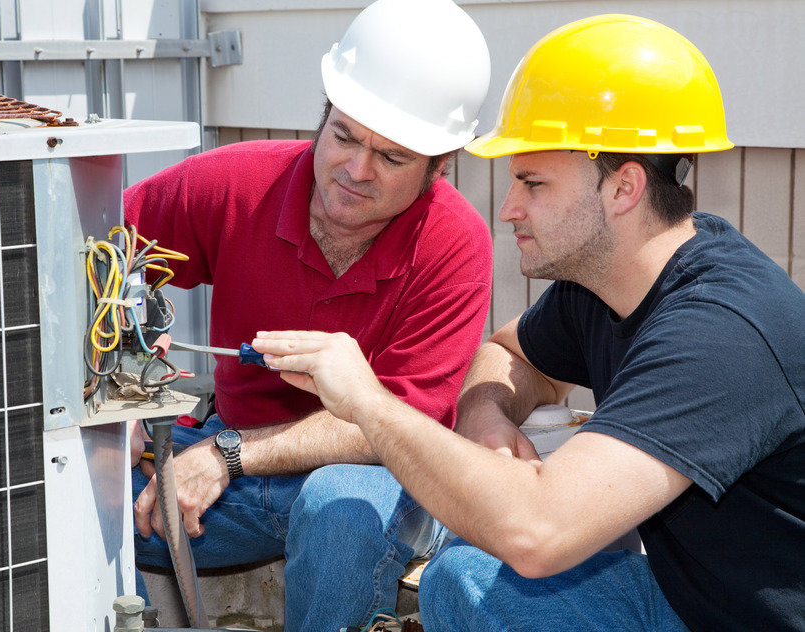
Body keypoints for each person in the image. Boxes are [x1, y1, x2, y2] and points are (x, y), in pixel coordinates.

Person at [252, 14, 805, 632]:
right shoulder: (605, 286)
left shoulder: (721, 334)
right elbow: (510, 352)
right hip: (684, 594)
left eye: (532, 182)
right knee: (463, 582)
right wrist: (487, 418)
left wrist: (366, 401)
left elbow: (539, 533)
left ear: (623, 188)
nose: (508, 208)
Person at [122, 0, 493, 628]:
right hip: (223, 475)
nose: (355, 170)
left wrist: (226, 456)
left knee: (339, 508)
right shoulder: (236, 184)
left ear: (440, 165)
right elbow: (87, 256)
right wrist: (116, 388)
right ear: (323, 115)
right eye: (344, 135)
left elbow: (401, 423)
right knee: (74, 496)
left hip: (369, 482)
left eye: (392, 157)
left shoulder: (457, 244)